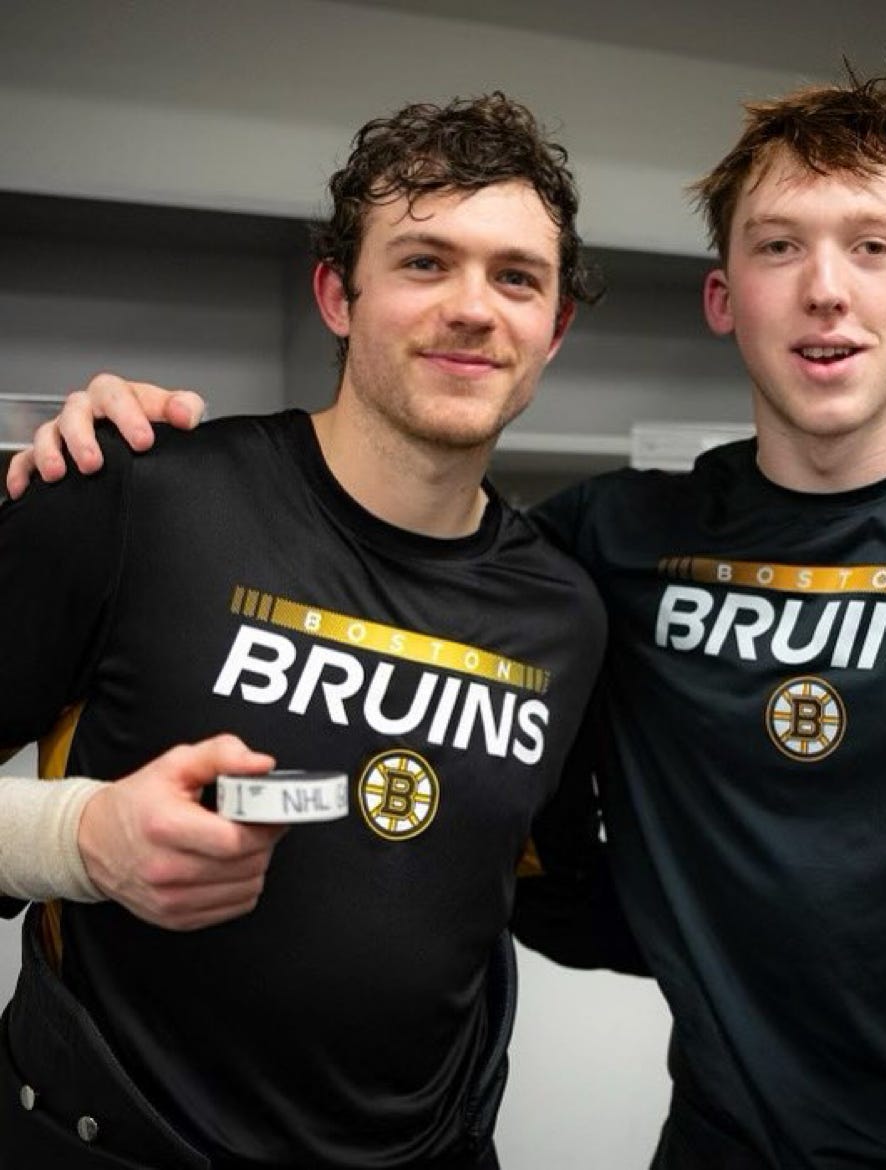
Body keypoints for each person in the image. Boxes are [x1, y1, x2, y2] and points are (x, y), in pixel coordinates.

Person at [13, 68, 886, 1169]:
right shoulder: (600, 547)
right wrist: (78, 833)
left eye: (873, 245)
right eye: (779, 246)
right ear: (723, 297)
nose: (827, 288)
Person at [0, 93, 608, 1170]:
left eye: (517, 277)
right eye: (424, 262)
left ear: (553, 328)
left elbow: (545, 891)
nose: (473, 309)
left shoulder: (564, 615)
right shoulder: (139, 497)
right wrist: (79, 842)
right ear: (337, 293)